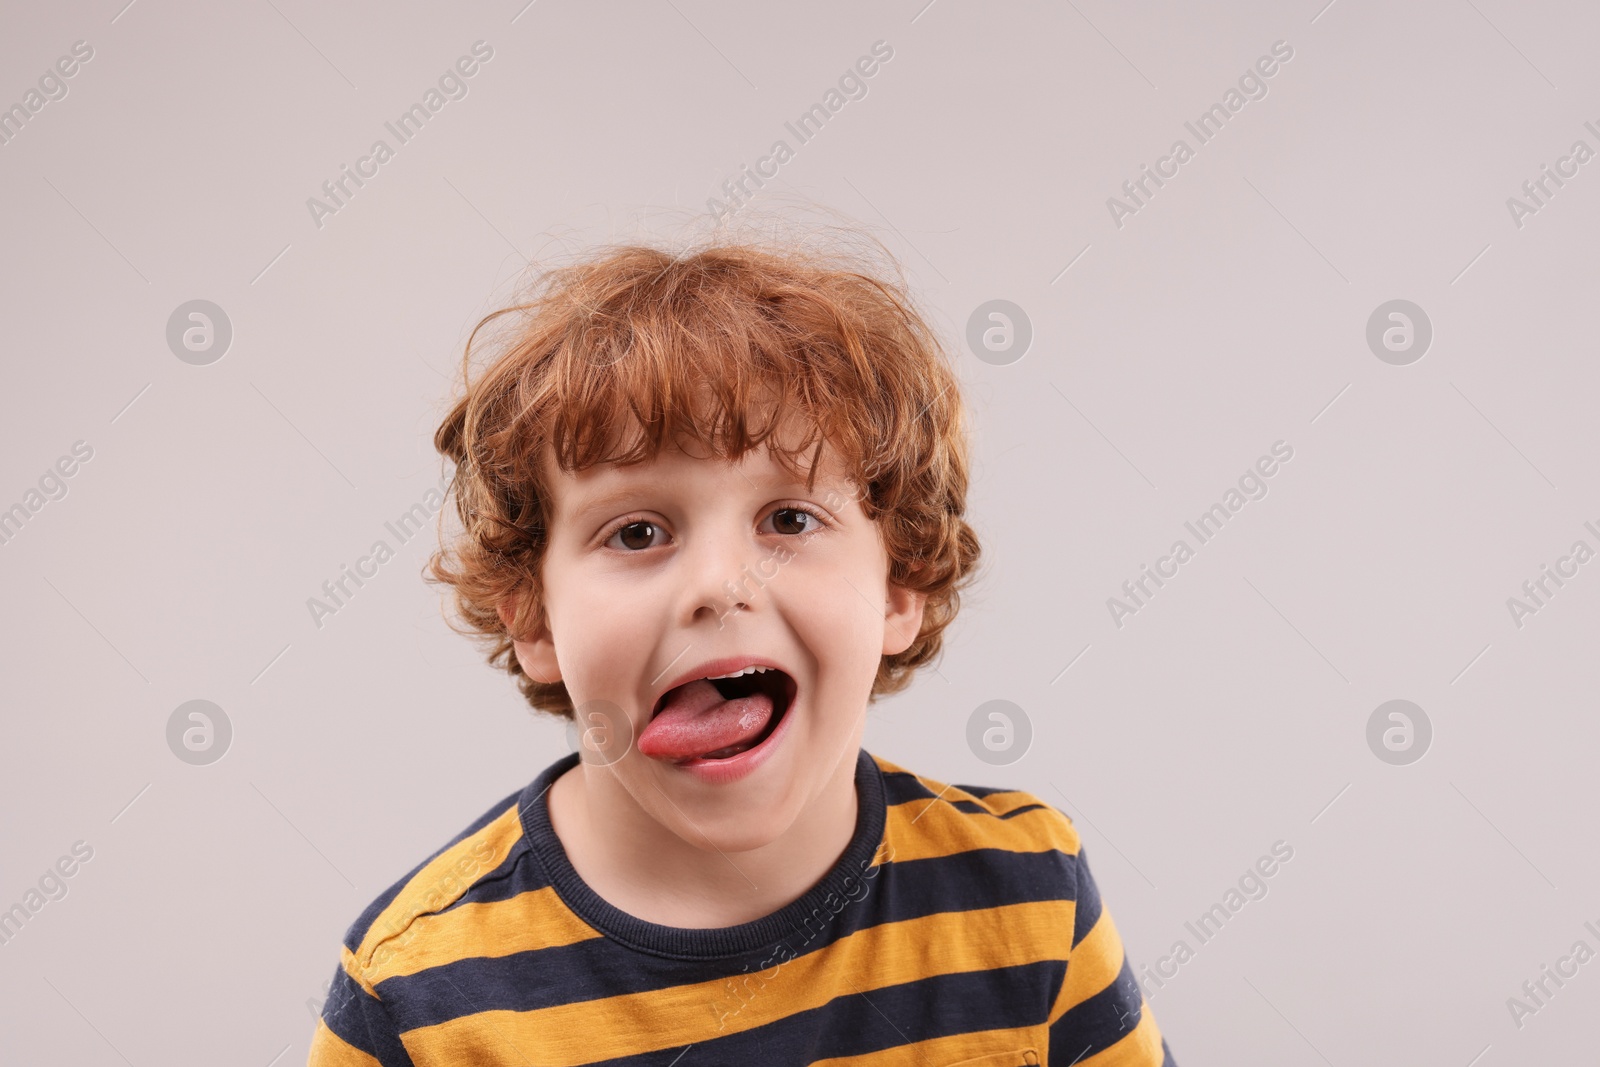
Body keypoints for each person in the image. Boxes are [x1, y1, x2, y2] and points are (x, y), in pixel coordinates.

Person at [307, 237, 1176, 1065]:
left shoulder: (1026, 899)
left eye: (790, 519)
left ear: (900, 588)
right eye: (637, 530)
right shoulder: (414, 998)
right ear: (534, 620)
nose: (721, 584)